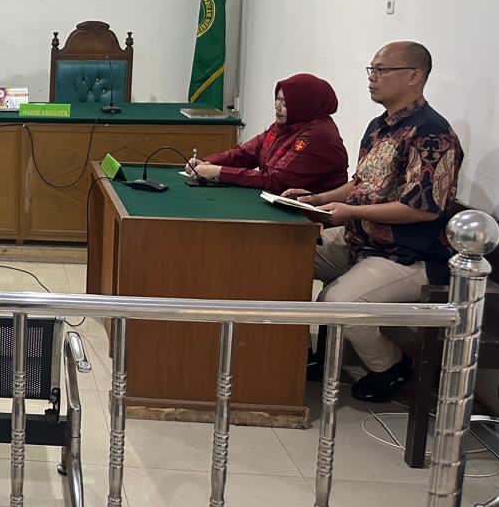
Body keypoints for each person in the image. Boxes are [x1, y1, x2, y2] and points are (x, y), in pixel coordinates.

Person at [286, 42, 463, 402]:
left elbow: (423, 209)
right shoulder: (379, 126)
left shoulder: (432, 133)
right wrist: (315, 199)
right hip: (360, 239)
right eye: (371, 69)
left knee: (338, 302)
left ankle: (391, 367)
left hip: (407, 254)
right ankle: (299, 355)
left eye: (382, 70)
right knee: (282, 257)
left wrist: (352, 212)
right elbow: (360, 184)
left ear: (414, 76)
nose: (372, 78)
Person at [188, 73, 348, 193]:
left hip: (310, 217)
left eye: (285, 102)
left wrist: (219, 172)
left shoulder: (317, 136)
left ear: (303, 105)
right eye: (277, 99)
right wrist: (207, 163)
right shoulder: (287, 125)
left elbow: (277, 181)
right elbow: (246, 154)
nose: (277, 106)